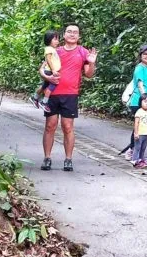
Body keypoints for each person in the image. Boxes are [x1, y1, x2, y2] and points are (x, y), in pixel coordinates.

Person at [40, 24, 97, 172]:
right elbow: (42, 69)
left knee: (68, 127)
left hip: (70, 94)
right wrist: (48, 77)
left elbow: (89, 74)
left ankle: (68, 159)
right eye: (69, 32)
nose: (72, 34)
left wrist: (91, 62)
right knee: (50, 125)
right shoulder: (55, 50)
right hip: (52, 93)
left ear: (79, 36)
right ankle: (47, 158)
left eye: (75, 32)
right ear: (64, 35)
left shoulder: (83, 52)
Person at [120, 45, 147, 159]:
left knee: (144, 125)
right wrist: (146, 100)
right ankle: (131, 151)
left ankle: (136, 151)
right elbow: (140, 85)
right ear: (140, 56)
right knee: (139, 125)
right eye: (145, 54)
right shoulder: (139, 68)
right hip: (138, 101)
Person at [30, 30, 61, 112]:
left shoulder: (52, 49)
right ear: (49, 39)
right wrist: (53, 70)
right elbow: (48, 60)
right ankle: (44, 102)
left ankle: (35, 97)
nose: (57, 41)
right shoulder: (49, 49)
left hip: (49, 70)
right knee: (52, 86)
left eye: (58, 39)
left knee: (44, 85)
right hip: (50, 71)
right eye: (55, 39)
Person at [131, 96, 147, 169]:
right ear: (140, 102)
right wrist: (136, 133)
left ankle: (141, 159)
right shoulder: (139, 112)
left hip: (146, 133)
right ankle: (135, 161)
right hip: (140, 133)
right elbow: (136, 123)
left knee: (143, 147)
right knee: (137, 147)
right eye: (145, 102)